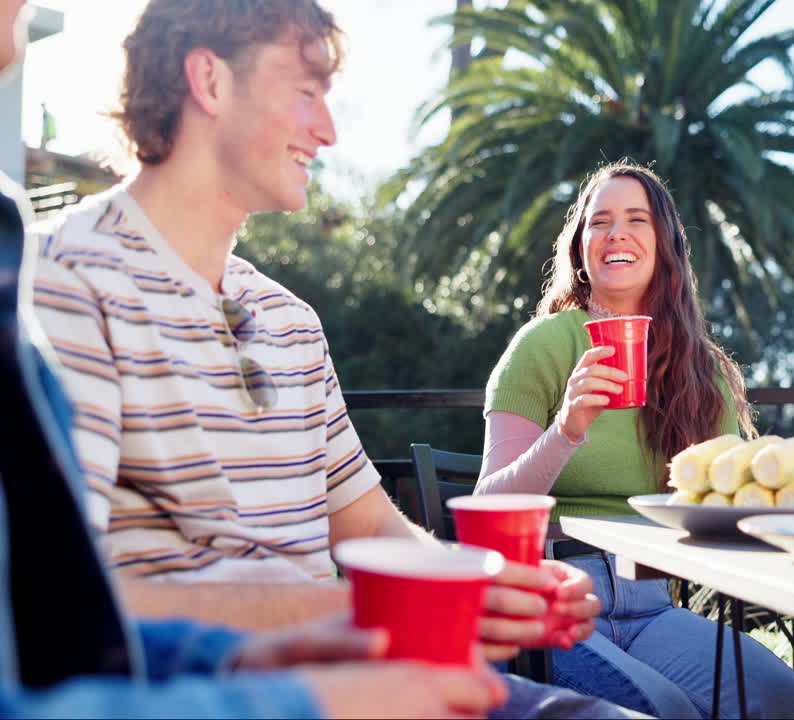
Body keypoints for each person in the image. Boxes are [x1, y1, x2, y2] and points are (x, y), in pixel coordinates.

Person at [28, 2, 642, 718]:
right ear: (210, 80)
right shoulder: (62, 281)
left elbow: (375, 527)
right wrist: (365, 610)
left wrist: (483, 585)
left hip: (360, 672)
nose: (328, 129)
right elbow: (62, 602)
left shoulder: (289, 320)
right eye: (306, 91)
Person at [477, 160, 794, 719]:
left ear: (665, 244)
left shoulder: (699, 367)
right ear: (580, 249)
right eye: (599, 222)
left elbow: (724, 503)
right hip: (554, 601)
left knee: (791, 703)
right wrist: (566, 429)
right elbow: (489, 507)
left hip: (652, 606)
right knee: (666, 709)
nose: (616, 233)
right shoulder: (543, 344)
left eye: (636, 219)